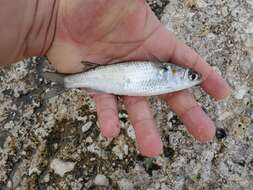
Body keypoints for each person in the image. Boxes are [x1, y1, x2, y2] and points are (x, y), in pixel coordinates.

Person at [0, 0, 230, 157]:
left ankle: (66, 81)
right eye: (190, 76)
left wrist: (45, 16)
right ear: (173, 73)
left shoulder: (167, 72)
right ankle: (66, 81)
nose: (192, 78)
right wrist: (48, 15)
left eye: (191, 76)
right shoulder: (166, 73)